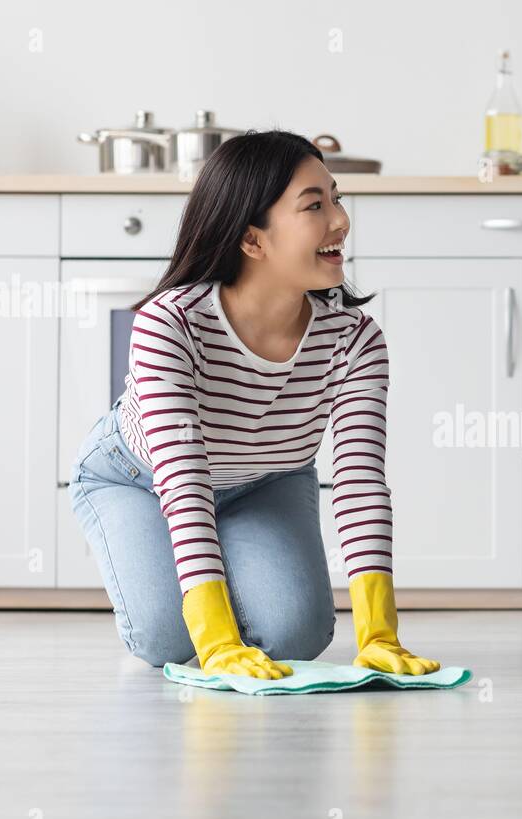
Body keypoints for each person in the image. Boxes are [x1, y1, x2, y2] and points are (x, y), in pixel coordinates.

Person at [69, 131, 438, 680]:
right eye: (315, 206)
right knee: (165, 640)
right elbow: (185, 479)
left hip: (269, 480)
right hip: (140, 477)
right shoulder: (170, 325)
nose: (340, 220)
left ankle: (230, 569)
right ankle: (199, 591)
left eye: (335, 198)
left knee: (297, 636)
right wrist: (216, 640)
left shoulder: (355, 340)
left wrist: (379, 632)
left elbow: (360, 482)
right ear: (252, 240)